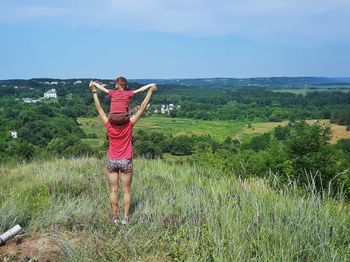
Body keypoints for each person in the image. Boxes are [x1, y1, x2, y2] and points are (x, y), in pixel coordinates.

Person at [90, 80, 157, 225]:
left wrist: (94, 91)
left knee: (114, 190)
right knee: (126, 191)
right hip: (126, 160)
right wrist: (150, 92)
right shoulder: (129, 124)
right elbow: (142, 108)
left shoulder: (108, 124)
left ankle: (114, 217)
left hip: (112, 161)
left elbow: (99, 109)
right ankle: (126, 219)